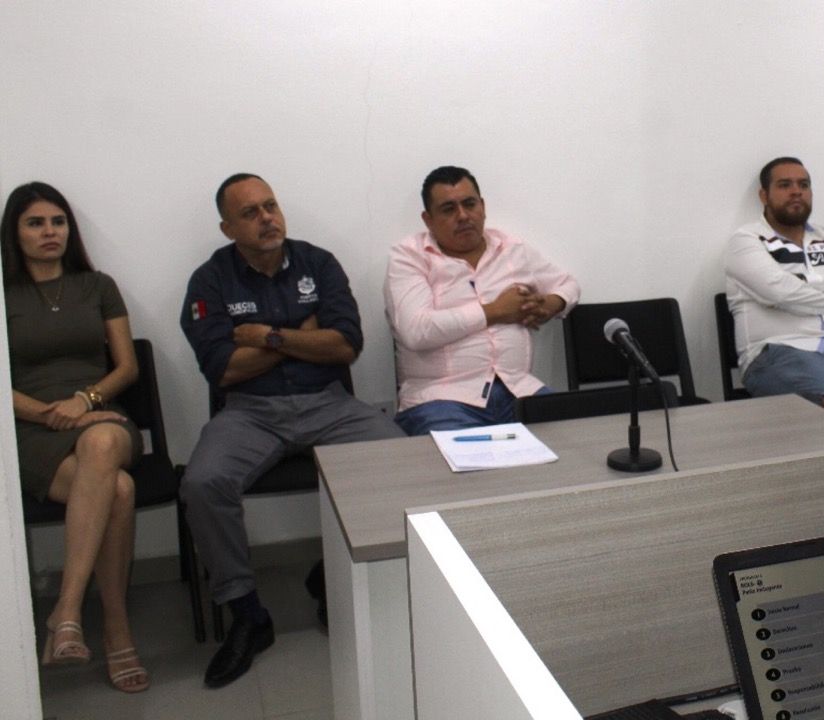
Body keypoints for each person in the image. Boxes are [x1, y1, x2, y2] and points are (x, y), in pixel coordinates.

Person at [179, 173, 403, 688]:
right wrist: (302, 337)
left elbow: (346, 345)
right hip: (250, 411)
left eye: (271, 206)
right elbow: (223, 369)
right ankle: (247, 614)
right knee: (203, 483)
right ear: (228, 228)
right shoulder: (210, 280)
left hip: (328, 403)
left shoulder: (317, 263)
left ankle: (330, 576)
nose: (267, 219)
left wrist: (267, 337)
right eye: (250, 213)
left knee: (401, 455)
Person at [2, 182, 149, 693]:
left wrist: (84, 402)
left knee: (102, 444)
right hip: (31, 429)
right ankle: (116, 630)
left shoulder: (97, 285)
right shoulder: (3, 293)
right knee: (120, 491)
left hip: (100, 415)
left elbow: (126, 367)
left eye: (58, 221)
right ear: (14, 233)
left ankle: (66, 611)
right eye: (35, 223)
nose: (50, 232)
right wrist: (47, 414)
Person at [384, 165, 580, 434]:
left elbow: (568, 284)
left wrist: (550, 304)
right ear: (428, 220)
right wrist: (495, 311)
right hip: (441, 399)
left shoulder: (511, 249)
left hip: (518, 389)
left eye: (469, 204)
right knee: (462, 459)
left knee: (575, 437)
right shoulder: (409, 257)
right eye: (449, 209)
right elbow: (416, 330)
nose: (463, 216)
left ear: (483, 206)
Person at [725, 157, 824, 413]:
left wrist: (807, 281)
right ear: (764, 195)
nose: (796, 191)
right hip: (779, 351)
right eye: (784, 185)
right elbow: (781, 293)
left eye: (804, 185)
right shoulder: (746, 240)